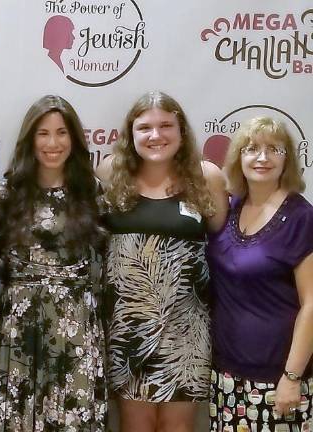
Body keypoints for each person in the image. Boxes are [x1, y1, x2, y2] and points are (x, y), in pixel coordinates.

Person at [96, 91, 228, 432]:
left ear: (182, 131)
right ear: (131, 134)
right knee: (133, 426)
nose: (156, 136)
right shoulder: (111, 172)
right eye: (145, 127)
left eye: (166, 125)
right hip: (128, 330)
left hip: (186, 331)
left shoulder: (207, 177)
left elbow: (221, 239)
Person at [0, 95, 109, 431]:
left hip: (76, 319)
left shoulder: (90, 191)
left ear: (73, 138)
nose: (53, 143)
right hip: (21, 320)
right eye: (43, 133)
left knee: (73, 414)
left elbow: (102, 252)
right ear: (30, 139)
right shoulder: (9, 191)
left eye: (61, 132)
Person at [207, 117, 313, 432]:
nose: (262, 158)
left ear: (288, 159)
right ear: (239, 158)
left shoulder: (302, 217)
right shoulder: (231, 208)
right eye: (252, 149)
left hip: (278, 379)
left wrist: (292, 377)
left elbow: (312, 303)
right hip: (227, 376)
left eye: (273, 149)